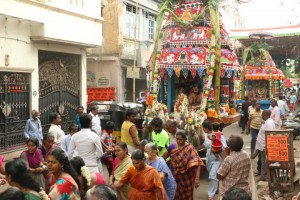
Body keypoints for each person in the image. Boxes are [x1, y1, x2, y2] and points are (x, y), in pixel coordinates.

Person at [163, 130, 204, 200]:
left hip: (186, 177)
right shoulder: (172, 146)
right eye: (177, 139)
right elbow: (163, 158)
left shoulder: (190, 148)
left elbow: (197, 163)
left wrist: (197, 179)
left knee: (187, 196)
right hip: (174, 176)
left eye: (181, 139)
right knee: (175, 195)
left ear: (185, 139)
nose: (178, 141)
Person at [251, 110, 275, 181]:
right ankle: (262, 174)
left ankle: (264, 176)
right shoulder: (266, 122)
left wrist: (266, 146)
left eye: (262, 114)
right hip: (260, 145)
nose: (261, 115)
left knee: (264, 162)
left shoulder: (269, 123)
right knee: (261, 161)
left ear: (265, 114)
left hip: (264, 146)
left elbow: (269, 135)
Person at [202, 121, 222, 200]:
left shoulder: (217, 135)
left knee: (212, 176)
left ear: (206, 128)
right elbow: (205, 145)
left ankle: (210, 195)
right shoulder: (207, 136)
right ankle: (215, 189)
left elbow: (223, 146)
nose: (203, 129)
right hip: (209, 158)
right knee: (213, 174)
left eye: (203, 128)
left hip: (216, 159)